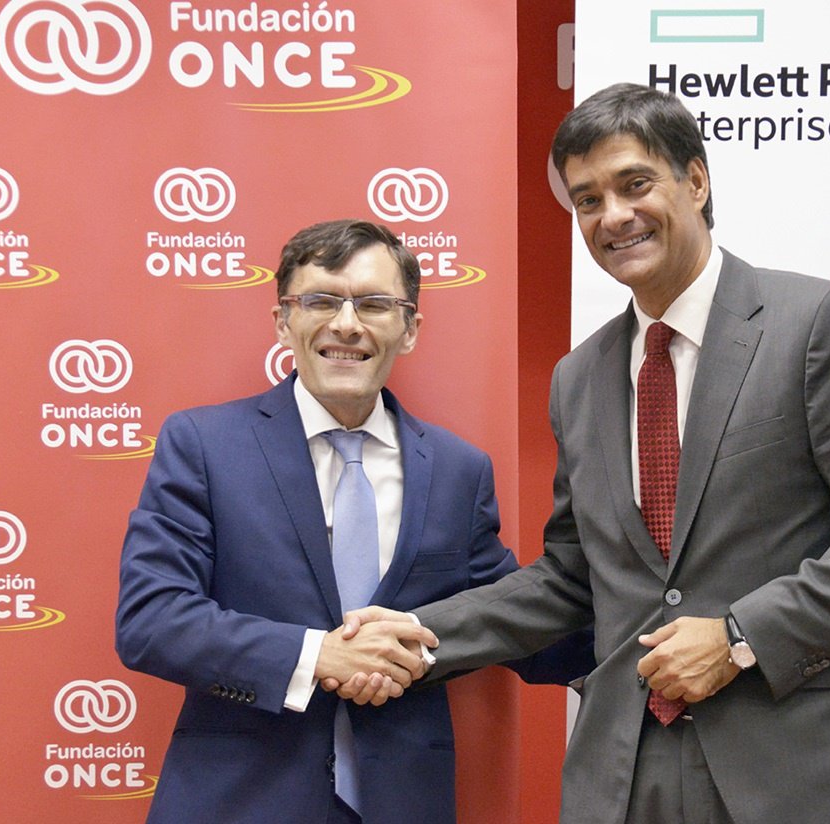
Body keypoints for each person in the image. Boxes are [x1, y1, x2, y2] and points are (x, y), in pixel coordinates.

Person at [339, 83, 830, 824]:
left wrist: (738, 638)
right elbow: (574, 577)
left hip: (801, 762)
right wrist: (421, 636)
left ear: (695, 181)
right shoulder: (579, 377)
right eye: (587, 200)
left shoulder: (816, 322)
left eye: (635, 185)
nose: (613, 216)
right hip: (629, 768)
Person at [115, 219, 591, 824]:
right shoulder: (204, 445)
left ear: (409, 328)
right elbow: (152, 620)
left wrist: (655, 634)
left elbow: (515, 622)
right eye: (320, 300)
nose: (346, 324)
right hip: (239, 802)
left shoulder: (457, 470)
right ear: (283, 321)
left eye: (373, 304)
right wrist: (317, 656)